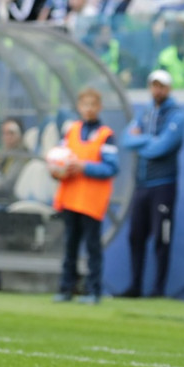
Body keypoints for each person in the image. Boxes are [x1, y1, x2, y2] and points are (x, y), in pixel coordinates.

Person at [120, 69, 184, 298]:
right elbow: (127, 139)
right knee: (135, 236)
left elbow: (163, 147)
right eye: (154, 85)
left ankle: (159, 289)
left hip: (163, 186)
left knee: (161, 237)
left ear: (168, 88)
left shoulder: (177, 115)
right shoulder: (145, 113)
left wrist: (143, 141)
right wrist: (149, 140)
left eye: (161, 86)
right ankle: (135, 285)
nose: (157, 90)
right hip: (142, 185)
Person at [53, 88, 120, 304]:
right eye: (85, 104)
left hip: (91, 201)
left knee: (92, 247)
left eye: (93, 104)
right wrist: (56, 169)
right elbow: (61, 159)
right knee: (70, 246)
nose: (89, 109)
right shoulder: (71, 131)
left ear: (99, 107)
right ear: (79, 107)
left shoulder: (105, 135)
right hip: (71, 199)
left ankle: (94, 290)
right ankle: (66, 288)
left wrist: (84, 167)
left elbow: (111, 168)